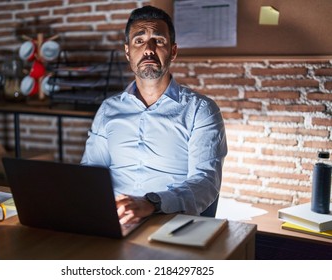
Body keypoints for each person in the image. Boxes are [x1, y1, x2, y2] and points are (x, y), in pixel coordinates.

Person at [81, 5, 227, 225]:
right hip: (113, 219)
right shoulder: (108, 109)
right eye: (139, 41)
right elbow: (91, 173)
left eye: (158, 41)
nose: (148, 49)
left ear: (173, 51)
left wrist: (152, 203)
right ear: (128, 51)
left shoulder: (201, 110)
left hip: (169, 221)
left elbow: (205, 182)